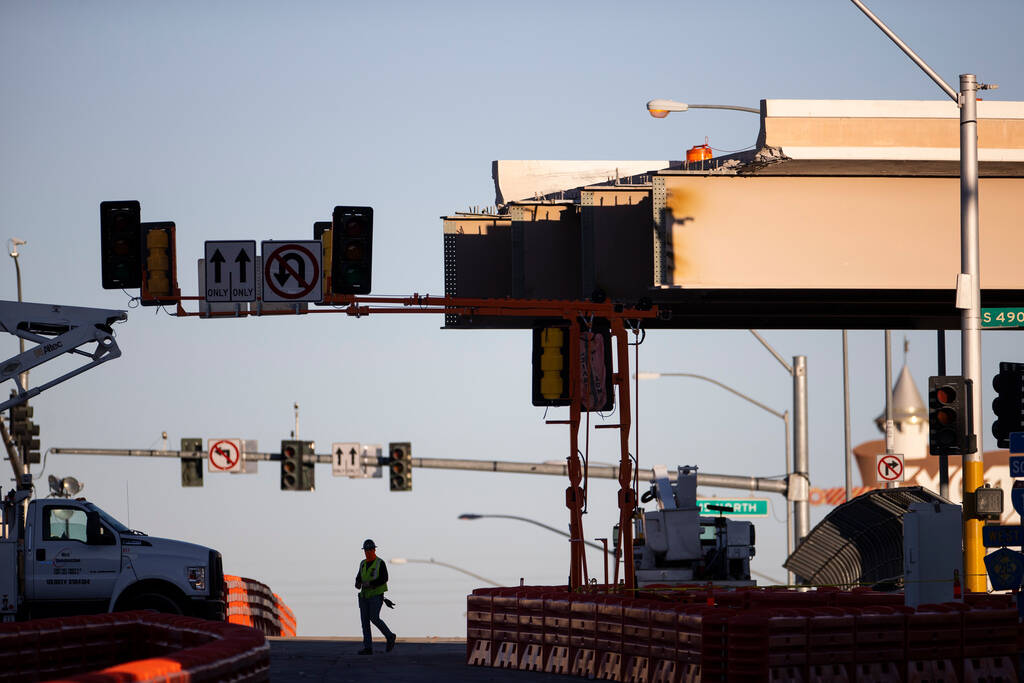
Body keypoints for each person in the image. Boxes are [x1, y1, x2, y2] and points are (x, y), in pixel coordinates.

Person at [355, 538, 396, 655]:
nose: (368, 552)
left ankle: (390, 636)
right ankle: (368, 648)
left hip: (376, 596)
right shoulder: (362, 563)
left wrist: (371, 584)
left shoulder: (380, 563)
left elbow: (384, 578)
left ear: (374, 550)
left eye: (370, 549)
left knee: (374, 618)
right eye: (366, 550)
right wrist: (357, 583)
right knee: (364, 622)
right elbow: (359, 577)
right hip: (364, 597)